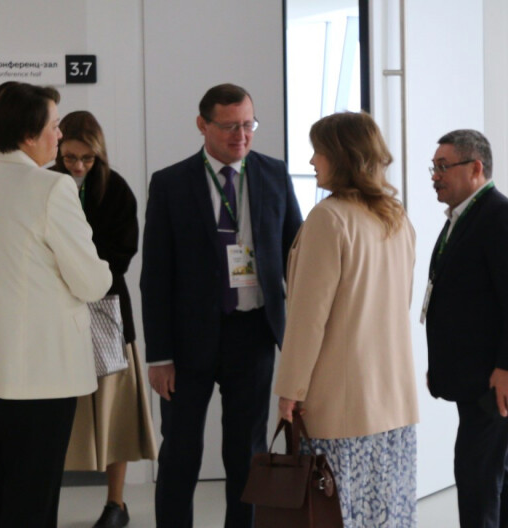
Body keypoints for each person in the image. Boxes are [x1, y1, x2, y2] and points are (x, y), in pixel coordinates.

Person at [0, 81, 112, 528]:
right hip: (41, 372)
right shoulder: (52, 188)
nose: (59, 134)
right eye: (54, 125)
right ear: (29, 135)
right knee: (33, 499)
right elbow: (91, 282)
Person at [140, 83, 303, 528]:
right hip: (187, 342)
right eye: (230, 126)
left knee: (247, 453)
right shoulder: (171, 184)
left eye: (248, 125)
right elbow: (155, 276)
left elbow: (298, 256)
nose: (241, 135)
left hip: (253, 334)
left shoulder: (273, 174)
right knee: (180, 452)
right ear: (202, 125)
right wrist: (159, 355)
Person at [275, 111, 419, 527]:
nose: (312, 161)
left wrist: (290, 390)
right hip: (393, 400)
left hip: (339, 406)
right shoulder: (397, 217)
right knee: (386, 514)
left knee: (334, 514)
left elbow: (308, 319)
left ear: (341, 157)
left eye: (318, 151)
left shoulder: (329, 218)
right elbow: (401, 303)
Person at [424, 129, 508, 528]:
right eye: (434, 167)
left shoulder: (500, 216)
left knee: (476, 473)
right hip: (477, 375)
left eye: (444, 166)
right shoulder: (463, 217)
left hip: (500, 377)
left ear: (476, 168)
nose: (435, 176)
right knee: (496, 468)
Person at [50, 110, 157, 528]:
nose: (78, 166)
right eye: (70, 157)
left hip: (107, 310)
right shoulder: (44, 182)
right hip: (54, 313)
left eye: (87, 158)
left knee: (115, 413)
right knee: (55, 416)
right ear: (58, 150)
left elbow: (122, 255)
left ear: (99, 155)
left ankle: (116, 504)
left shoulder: (116, 189)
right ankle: (45, 502)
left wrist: (79, 270)